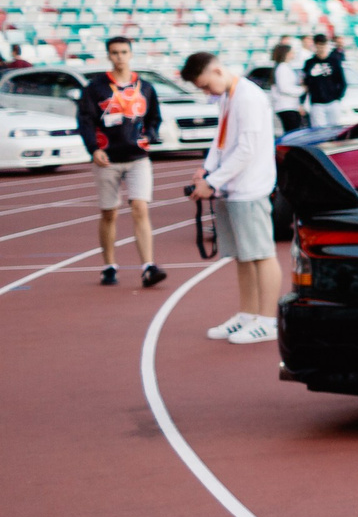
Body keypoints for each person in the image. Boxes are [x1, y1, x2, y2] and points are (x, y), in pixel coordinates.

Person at [179, 52, 280, 345]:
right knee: (242, 256)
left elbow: (246, 149)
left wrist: (213, 182)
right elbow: (220, 140)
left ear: (218, 70)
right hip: (231, 188)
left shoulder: (248, 97)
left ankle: (267, 320)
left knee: (261, 254)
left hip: (249, 187)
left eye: (205, 85)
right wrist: (206, 169)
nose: (205, 92)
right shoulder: (228, 96)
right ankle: (248, 314)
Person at [76, 35, 164, 289]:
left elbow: (155, 117)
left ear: (131, 54)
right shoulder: (96, 88)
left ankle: (148, 265)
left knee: (140, 207)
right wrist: (93, 149)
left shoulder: (145, 87)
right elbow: (85, 120)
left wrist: (150, 135)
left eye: (124, 52)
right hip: (108, 159)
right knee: (109, 213)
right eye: (114, 52)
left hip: (138, 158)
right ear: (108, 55)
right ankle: (109, 265)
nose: (119, 57)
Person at [299, 32, 347, 133]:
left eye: (323, 45)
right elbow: (306, 84)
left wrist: (338, 97)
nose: (321, 49)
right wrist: (302, 102)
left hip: (333, 102)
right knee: (319, 132)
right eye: (319, 46)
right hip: (317, 103)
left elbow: (342, 82)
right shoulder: (309, 63)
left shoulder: (334, 61)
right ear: (315, 46)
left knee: (335, 130)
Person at [268, 37, 306, 133]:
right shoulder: (282, 68)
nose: (293, 54)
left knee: (292, 131)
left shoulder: (284, 67)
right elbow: (284, 88)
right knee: (292, 133)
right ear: (287, 54)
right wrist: (302, 90)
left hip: (289, 106)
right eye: (292, 52)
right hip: (286, 106)